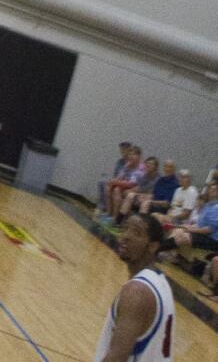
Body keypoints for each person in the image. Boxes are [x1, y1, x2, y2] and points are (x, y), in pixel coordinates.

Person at [93, 213, 175, 362]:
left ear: (153, 246)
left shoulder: (136, 292)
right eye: (125, 228)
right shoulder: (160, 281)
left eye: (136, 232)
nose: (125, 236)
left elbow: (117, 358)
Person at [165, 180, 218, 255]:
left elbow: (209, 230)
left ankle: (159, 250)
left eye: (214, 189)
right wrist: (188, 227)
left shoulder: (216, 207)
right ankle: (170, 254)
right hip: (205, 235)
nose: (210, 190)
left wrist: (192, 230)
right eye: (210, 188)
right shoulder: (208, 205)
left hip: (213, 240)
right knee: (178, 230)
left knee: (182, 236)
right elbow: (200, 224)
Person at [105, 147, 147, 222]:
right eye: (130, 154)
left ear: (139, 156)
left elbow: (131, 184)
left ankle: (115, 218)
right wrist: (112, 182)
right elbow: (120, 176)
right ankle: (109, 214)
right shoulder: (128, 164)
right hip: (126, 186)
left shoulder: (141, 168)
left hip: (136, 189)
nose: (130, 156)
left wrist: (115, 182)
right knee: (108, 187)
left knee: (116, 190)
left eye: (133, 154)